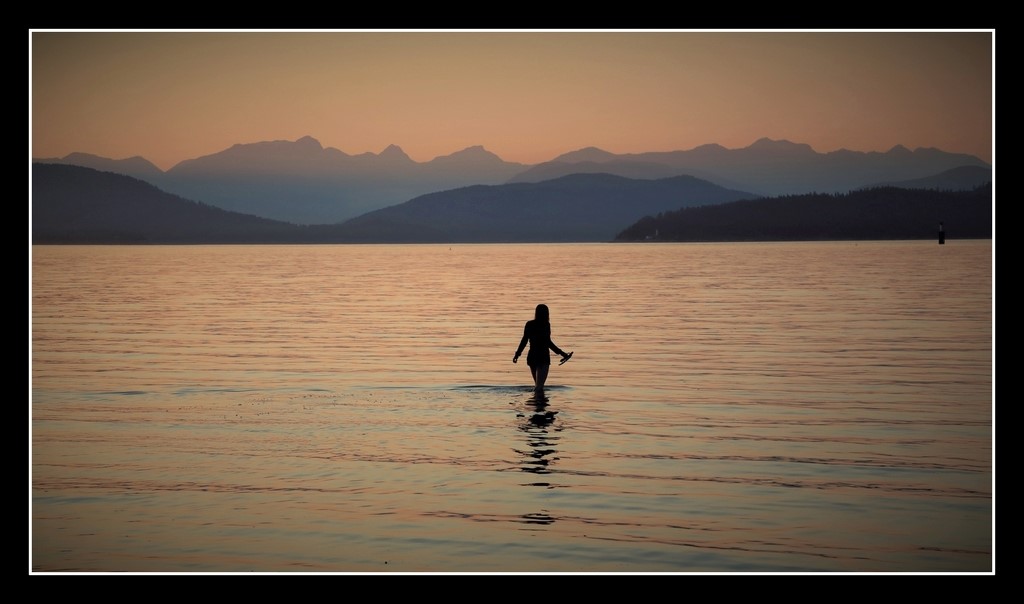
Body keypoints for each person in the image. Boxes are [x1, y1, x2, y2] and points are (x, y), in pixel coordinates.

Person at [513, 304, 571, 393]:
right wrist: (562, 353)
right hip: (543, 357)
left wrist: (517, 354)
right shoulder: (546, 325)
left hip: (532, 357)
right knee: (539, 387)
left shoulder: (529, 324)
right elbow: (548, 342)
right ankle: (539, 404)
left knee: (537, 385)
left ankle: (537, 404)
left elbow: (524, 341)